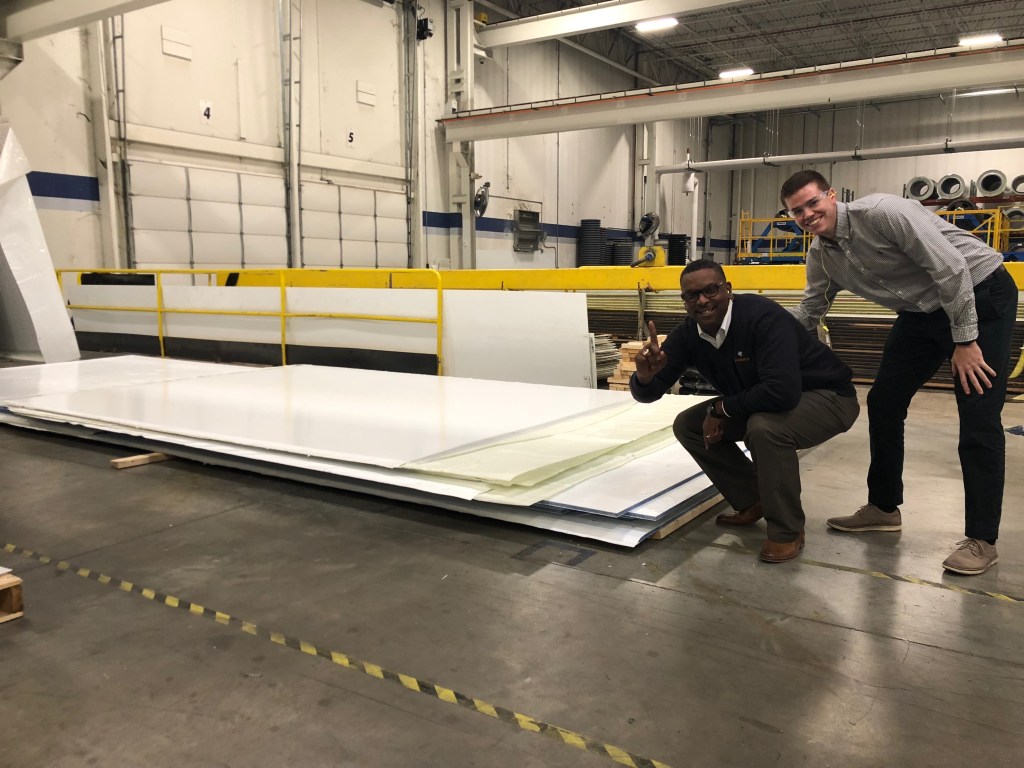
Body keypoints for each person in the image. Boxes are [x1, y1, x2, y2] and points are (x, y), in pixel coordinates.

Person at [780, 169, 1019, 575]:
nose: (807, 215)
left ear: (831, 195)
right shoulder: (822, 255)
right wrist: (759, 328)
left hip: (980, 291)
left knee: (978, 412)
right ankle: (884, 508)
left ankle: (982, 540)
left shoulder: (883, 213)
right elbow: (811, 309)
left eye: (813, 202)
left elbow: (952, 269)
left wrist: (964, 341)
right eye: (797, 211)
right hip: (922, 310)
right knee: (884, 401)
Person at [630, 259, 860, 562]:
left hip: (829, 397)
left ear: (727, 289)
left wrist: (721, 407)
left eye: (711, 290)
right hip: (767, 402)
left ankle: (787, 531)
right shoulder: (689, 335)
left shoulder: (762, 318)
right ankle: (753, 500)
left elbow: (782, 391)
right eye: (692, 295)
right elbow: (648, 394)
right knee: (688, 425)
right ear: (684, 300)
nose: (702, 300)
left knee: (766, 429)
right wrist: (644, 377)